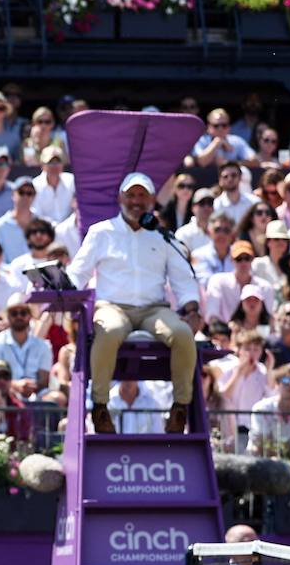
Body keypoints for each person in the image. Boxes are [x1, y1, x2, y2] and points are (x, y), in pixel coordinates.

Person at [68, 173, 199, 434]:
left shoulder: (164, 237)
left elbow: (183, 278)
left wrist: (192, 307)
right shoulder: (101, 232)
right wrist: (65, 291)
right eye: (131, 195)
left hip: (155, 308)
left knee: (183, 334)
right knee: (108, 331)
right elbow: (78, 273)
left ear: (151, 199)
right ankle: (101, 407)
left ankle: (180, 408)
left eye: (142, 195)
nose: (136, 201)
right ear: (120, 198)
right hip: (113, 306)